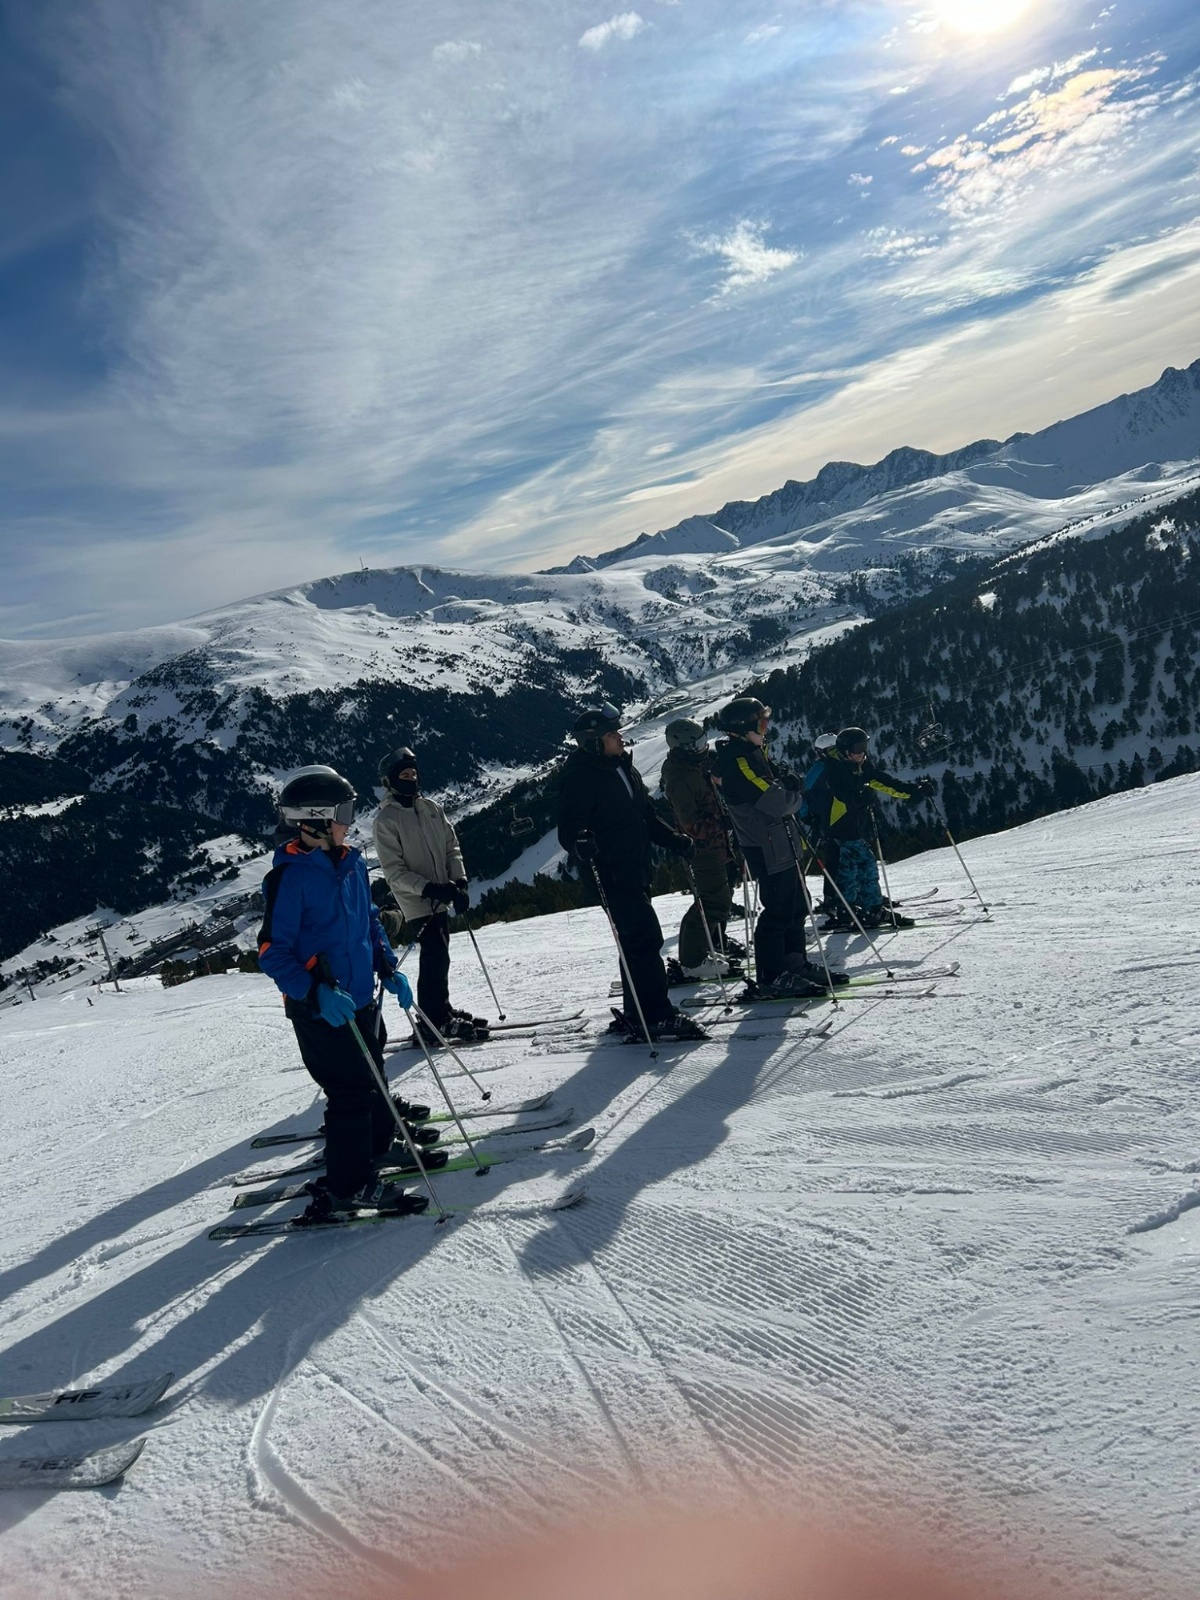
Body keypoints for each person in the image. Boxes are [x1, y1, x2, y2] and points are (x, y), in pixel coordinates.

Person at [257, 765, 426, 1223]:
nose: (350, 823)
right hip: (322, 1011)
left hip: (361, 999)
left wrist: (387, 966)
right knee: (350, 1092)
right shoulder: (289, 879)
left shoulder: (351, 865)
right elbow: (272, 953)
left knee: (374, 1076)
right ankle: (348, 1187)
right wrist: (315, 993)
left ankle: (377, 1146)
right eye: (343, 814)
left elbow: (368, 923)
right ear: (314, 820)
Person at [557, 705, 709, 1042]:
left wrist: (675, 840)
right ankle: (654, 1015)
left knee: (635, 942)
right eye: (613, 734)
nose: (621, 738)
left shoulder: (622, 767)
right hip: (610, 871)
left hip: (635, 867)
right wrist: (581, 842)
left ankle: (638, 1010)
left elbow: (645, 817)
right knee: (644, 939)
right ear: (594, 742)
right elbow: (568, 829)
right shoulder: (581, 776)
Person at [711, 699, 847, 997]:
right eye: (761, 724)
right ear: (743, 729)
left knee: (797, 905)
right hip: (766, 846)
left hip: (781, 843)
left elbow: (781, 787)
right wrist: (793, 791)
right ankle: (771, 976)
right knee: (779, 911)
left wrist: (788, 784)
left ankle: (793, 965)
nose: (766, 729)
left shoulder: (753, 754)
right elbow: (778, 803)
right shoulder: (738, 764)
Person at [373, 746, 481, 1043]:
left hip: (442, 892)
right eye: (404, 775)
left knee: (441, 953)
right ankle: (432, 1019)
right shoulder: (386, 820)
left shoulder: (431, 808)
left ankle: (440, 1009)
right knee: (434, 954)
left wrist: (459, 881)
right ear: (390, 781)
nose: (411, 779)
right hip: (418, 900)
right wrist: (428, 888)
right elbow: (394, 872)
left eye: (414, 774)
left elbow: (451, 847)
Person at [805, 727, 936, 928]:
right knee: (865, 864)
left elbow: (885, 782)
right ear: (845, 750)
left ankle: (848, 910)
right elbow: (845, 796)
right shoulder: (834, 769)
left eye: (864, 746)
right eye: (857, 748)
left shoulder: (859, 765)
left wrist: (914, 791)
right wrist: (863, 797)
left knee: (849, 869)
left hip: (852, 825)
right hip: (839, 826)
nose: (862, 752)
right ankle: (870, 909)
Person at [659, 718, 736, 980]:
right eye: (698, 744)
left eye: (704, 741)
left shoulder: (693, 765)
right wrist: (721, 823)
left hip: (717, 845)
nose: (703, 748)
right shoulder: (679, 777)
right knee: (713, 903)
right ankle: (692, 962)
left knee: (721, 897)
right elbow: (690, 824)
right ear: (685, 747)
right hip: (703, 850)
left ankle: (709, 948)